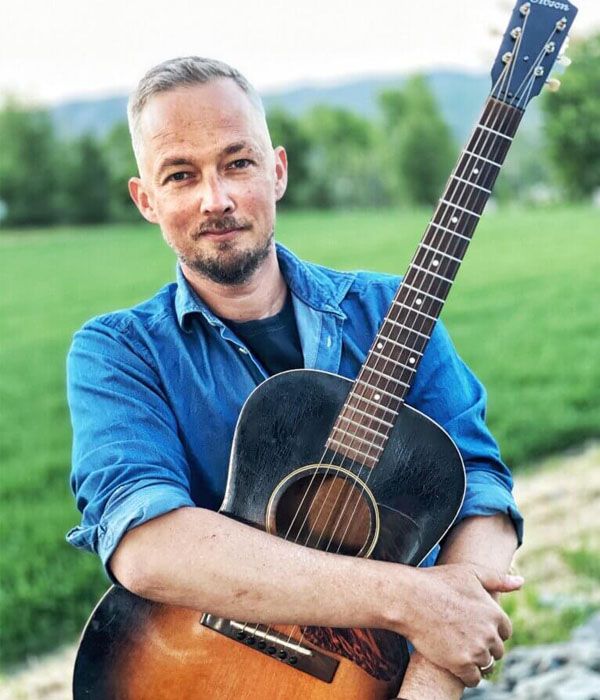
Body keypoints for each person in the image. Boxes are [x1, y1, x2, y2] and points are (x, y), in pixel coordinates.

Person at [66, 56, 524, 700]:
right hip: (188, 670)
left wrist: (431, 675)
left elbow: (480, 487)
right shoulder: (117, 351)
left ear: (276, 170)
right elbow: (146, 541)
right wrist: (406, 601)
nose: (216, 199)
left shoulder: (391, 311)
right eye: (180, 175)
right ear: (147, 199)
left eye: (238, 163)